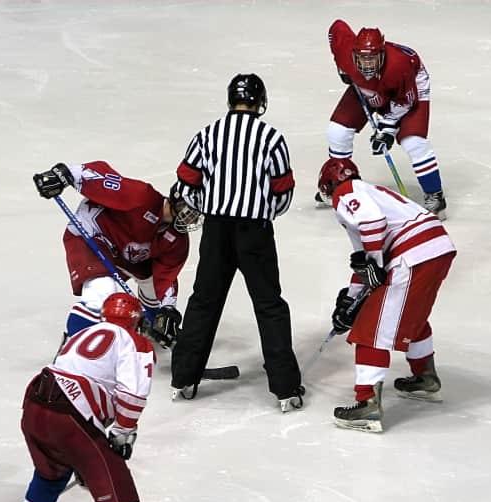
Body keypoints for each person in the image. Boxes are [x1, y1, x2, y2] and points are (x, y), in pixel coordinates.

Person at [169, 73, 304, 412]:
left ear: (230, 100)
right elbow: (283, 191)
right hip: (254, 231)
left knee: (204, 301)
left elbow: (185, 182)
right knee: (269, 305)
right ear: (261, 102)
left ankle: (185, 379)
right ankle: (286, 389)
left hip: (216, 231)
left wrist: (208, 206)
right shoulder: (271, 137)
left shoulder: (208, 134)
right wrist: (262, 212)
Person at [317, 158, 456, 433]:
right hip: (436, 248)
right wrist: (350, 298)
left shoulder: (347, 192)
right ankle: (425, 378)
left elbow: (372, 225)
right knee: (411, 318)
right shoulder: (372, 191)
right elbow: (364, 258)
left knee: (371, 328)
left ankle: (366, 404)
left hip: (413, 254)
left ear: (329, 185)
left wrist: (375, 265)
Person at [15, 292, 154, 502]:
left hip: (35, 402)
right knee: (117, 497)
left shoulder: (80, 334)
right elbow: (133, 396)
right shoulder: (134, 342)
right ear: (135, 320)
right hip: (70, 416)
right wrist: (122, 433)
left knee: (50, 475)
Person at [32, 160, 201, 349]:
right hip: (93, 236)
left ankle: (151, 327)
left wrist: (167, 310)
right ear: (176, 200)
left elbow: (166, 278)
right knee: (102, 291)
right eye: (189, 211)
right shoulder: (141, 197)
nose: (192, 219)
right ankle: (70, 352)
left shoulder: (178, 240)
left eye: (197, 215)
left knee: (153, 287)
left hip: (125, 253)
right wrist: (63, 174)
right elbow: (103, 176)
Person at [318, 19, 448, 219]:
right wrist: (341, 67)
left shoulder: (399, 66)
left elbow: (406, 101)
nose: (367, 65)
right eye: (362, 60)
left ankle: (435, 195)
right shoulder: (346, 53)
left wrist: (387, 130)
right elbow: (336, 27)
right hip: (369, 88)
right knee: (338, 131)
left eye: (372, 60)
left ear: (382, 54)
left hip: (409, 90)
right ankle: (341, 185)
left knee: (413, 143)